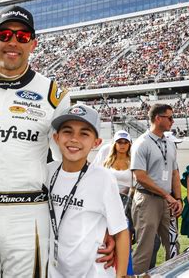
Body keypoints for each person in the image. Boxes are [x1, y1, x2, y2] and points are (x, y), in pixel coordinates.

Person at [0, 5, 113, 277]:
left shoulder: (54, 94)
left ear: (33, 44)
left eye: (23, 36)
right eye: (5, 34)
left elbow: (74, 165)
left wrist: (104, 221)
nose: (13, 41)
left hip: (28, 215)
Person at [47, 104, 129, 277]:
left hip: (93, 272)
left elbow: (121, 232)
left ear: (96, 142)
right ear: (56, 137)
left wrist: (121, 275)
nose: (74, 139)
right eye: (67, 131)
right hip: (53, 271)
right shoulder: (46, 172)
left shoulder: (103, 178)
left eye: (84, 133)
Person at [130, 104, 182, 274]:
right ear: (158, 118)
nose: (173, 121)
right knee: (146, 246)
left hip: (167, 200)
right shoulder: (142, 143)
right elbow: (140, 176)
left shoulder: (170, 143)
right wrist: (167, 195)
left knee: (173, 244)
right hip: (147, 199)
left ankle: (175, 274)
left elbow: (175, 173)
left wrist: (179, 199)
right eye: (170, 117)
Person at [102, 130, 135, 276]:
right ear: (114, 144)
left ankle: (124, 272)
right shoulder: (107, 162)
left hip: (126, 205)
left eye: (125, 142)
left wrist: (126, 207)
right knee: (105, 240)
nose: (122, 145)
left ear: (129, 144)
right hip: (106, 205)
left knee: (124, 241)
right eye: (119, 142)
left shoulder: (133, 161)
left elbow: (134, 186)